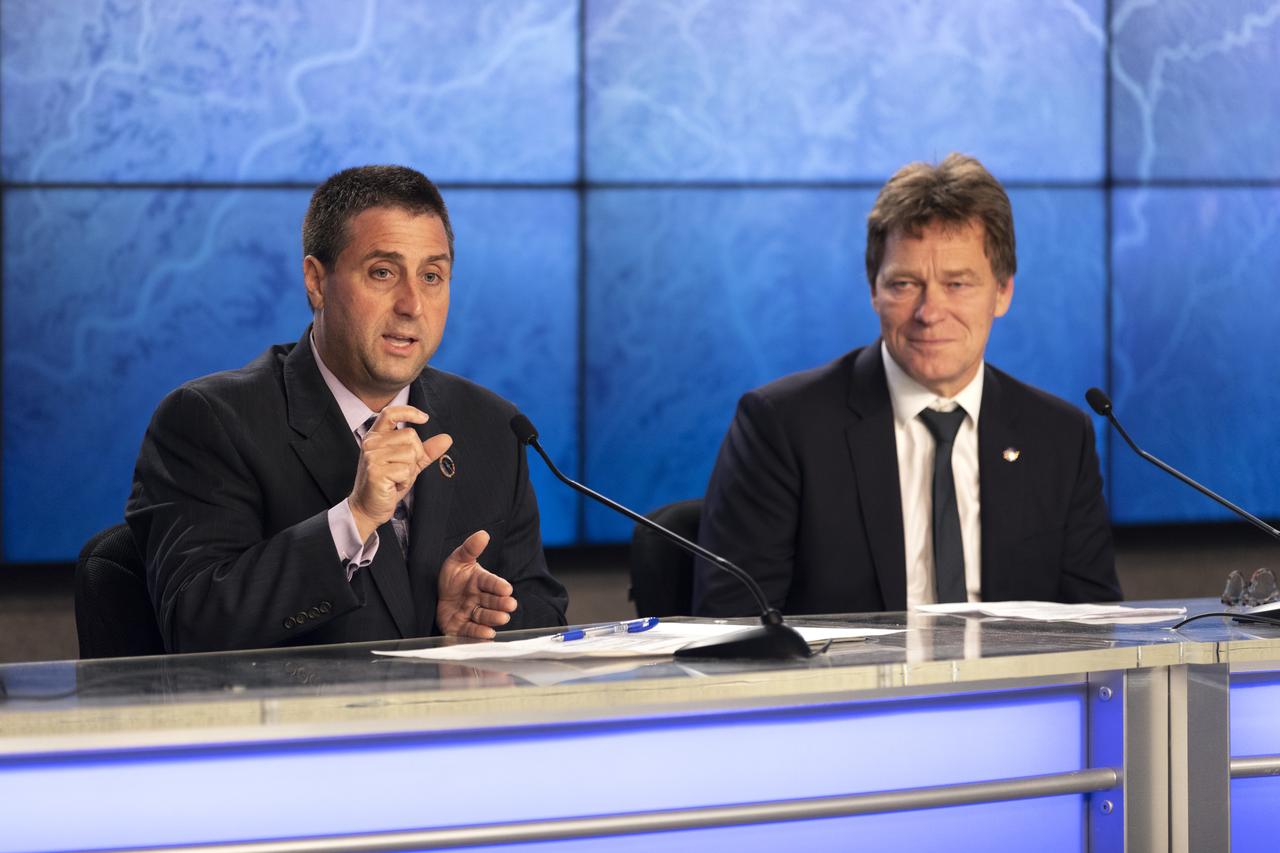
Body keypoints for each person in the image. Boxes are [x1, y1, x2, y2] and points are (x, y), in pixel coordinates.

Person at [128, 165, 567, 652]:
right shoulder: (211, 420)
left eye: (432, 276)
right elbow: (195, 622)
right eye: (383, 272)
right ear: (316, 282)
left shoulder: (492, 425)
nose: (412, 305)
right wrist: (355, 518)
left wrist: (478, 620)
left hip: (452, 721)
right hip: (300, 725)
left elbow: (543, 610)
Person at [693, 153, 1120, 617]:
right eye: (904, 284)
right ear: (873, 288)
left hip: (1017, 691)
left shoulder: (1058, 437)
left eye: (957, 284)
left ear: (1003, 292)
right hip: (846, 690)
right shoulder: (782, 426)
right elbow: (735, 626)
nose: (929, 312)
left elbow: (1095, 628)